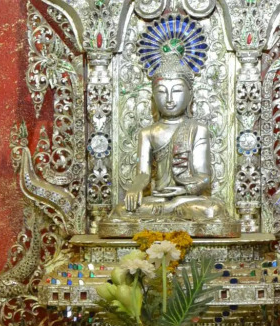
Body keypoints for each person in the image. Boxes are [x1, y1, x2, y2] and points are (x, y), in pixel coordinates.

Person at [99, 56, 238, 237]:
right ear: (153, 97)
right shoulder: (148, 133)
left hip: (188, 199)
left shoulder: (198, 129)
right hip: (159, 200)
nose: (170, 99)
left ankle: (174, 209)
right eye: (162, 92)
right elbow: (143, 173)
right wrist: (135, 188)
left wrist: (183, 190)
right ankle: (173, 210)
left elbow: (204, 178)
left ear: (190, 96)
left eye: (177, 91)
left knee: (213, 210)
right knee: (121, 211)